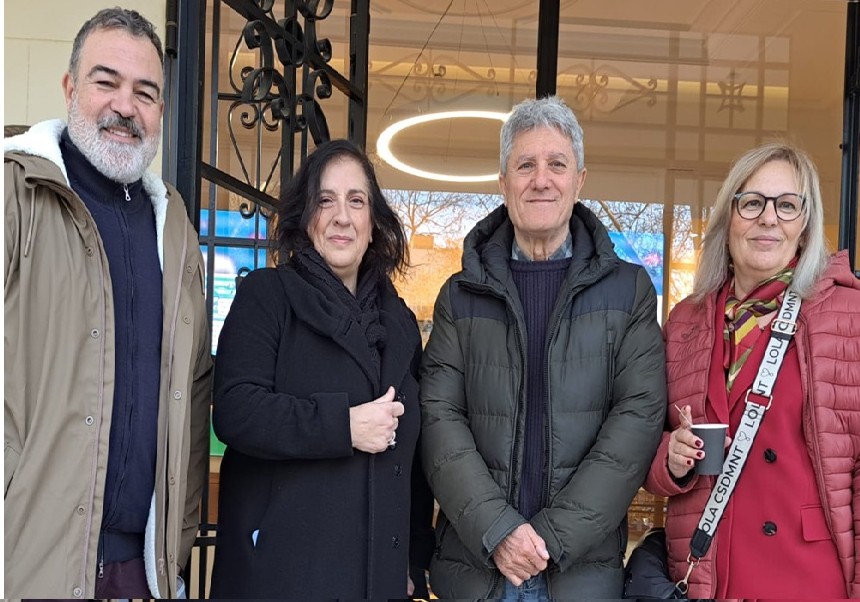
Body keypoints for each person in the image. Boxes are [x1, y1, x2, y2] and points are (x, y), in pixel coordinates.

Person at [419, 95, 667, 599]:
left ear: (579, 180)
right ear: (503, 180)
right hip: (477, 569)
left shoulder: (630, 291)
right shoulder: (459, 295)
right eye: (525, 164)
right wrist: (498, 531)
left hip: (579, 574)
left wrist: (549, 538)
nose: (541, 179)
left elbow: (636, 421)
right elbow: (439, 419)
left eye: (557, 164)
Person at [4, 7, 212, 599]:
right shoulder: (15, 196)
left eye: (145, 92)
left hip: (139, 572)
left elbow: (194, 392)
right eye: (106, 81)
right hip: (27, 563)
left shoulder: (174, 230)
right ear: (71, 88)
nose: (125, 106)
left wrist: (179, 539)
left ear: (161, 112)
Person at [209, 139, 433, 598]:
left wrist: (413, 559)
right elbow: (235, 410)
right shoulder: (267, 297)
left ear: (374, 224)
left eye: (357, 201)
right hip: (283, 577)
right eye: (324, 200)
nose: (341, 216)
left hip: (377, 580)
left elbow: (413, 459)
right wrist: (342, 426)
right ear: (304, 217)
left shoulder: (401, 324)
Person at [644, 142, 860, 598]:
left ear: (804, 226)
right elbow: (639, 444)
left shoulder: (847, 314)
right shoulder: (684, 322)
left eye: (786, 205)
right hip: (711, 575)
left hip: (810, 577)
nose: (768, 218)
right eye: (752, 203)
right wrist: (669, 457)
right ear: (728, 220)